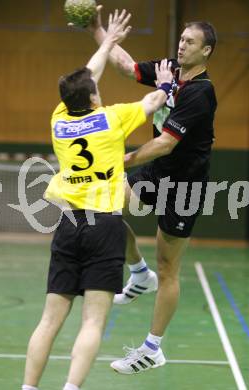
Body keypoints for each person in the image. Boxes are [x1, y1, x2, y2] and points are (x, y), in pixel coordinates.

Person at [22, 9, 174, 390]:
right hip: (104, 227)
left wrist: (106, 43)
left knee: (49, 321)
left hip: (68, 224)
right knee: (92, 321)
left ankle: (28, 387)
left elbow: (87, 76)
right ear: (93, 96)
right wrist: (169, 84)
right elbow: (155, 101)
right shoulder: (113, 118)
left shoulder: (59, 120)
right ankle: (71, 387)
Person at [90, 7, 217, 374]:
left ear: (206, 50)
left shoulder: (201, 94)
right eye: (181, 39)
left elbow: (165, 143)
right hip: (157, 172)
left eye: (190, 42)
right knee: (105, 210)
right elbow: (126, 66)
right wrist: (100, 31)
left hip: (185, 185)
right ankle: (137, 271)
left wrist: (120, 159)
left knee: (168, 268)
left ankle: (152, 348)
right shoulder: (171, 72)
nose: (182, 46)